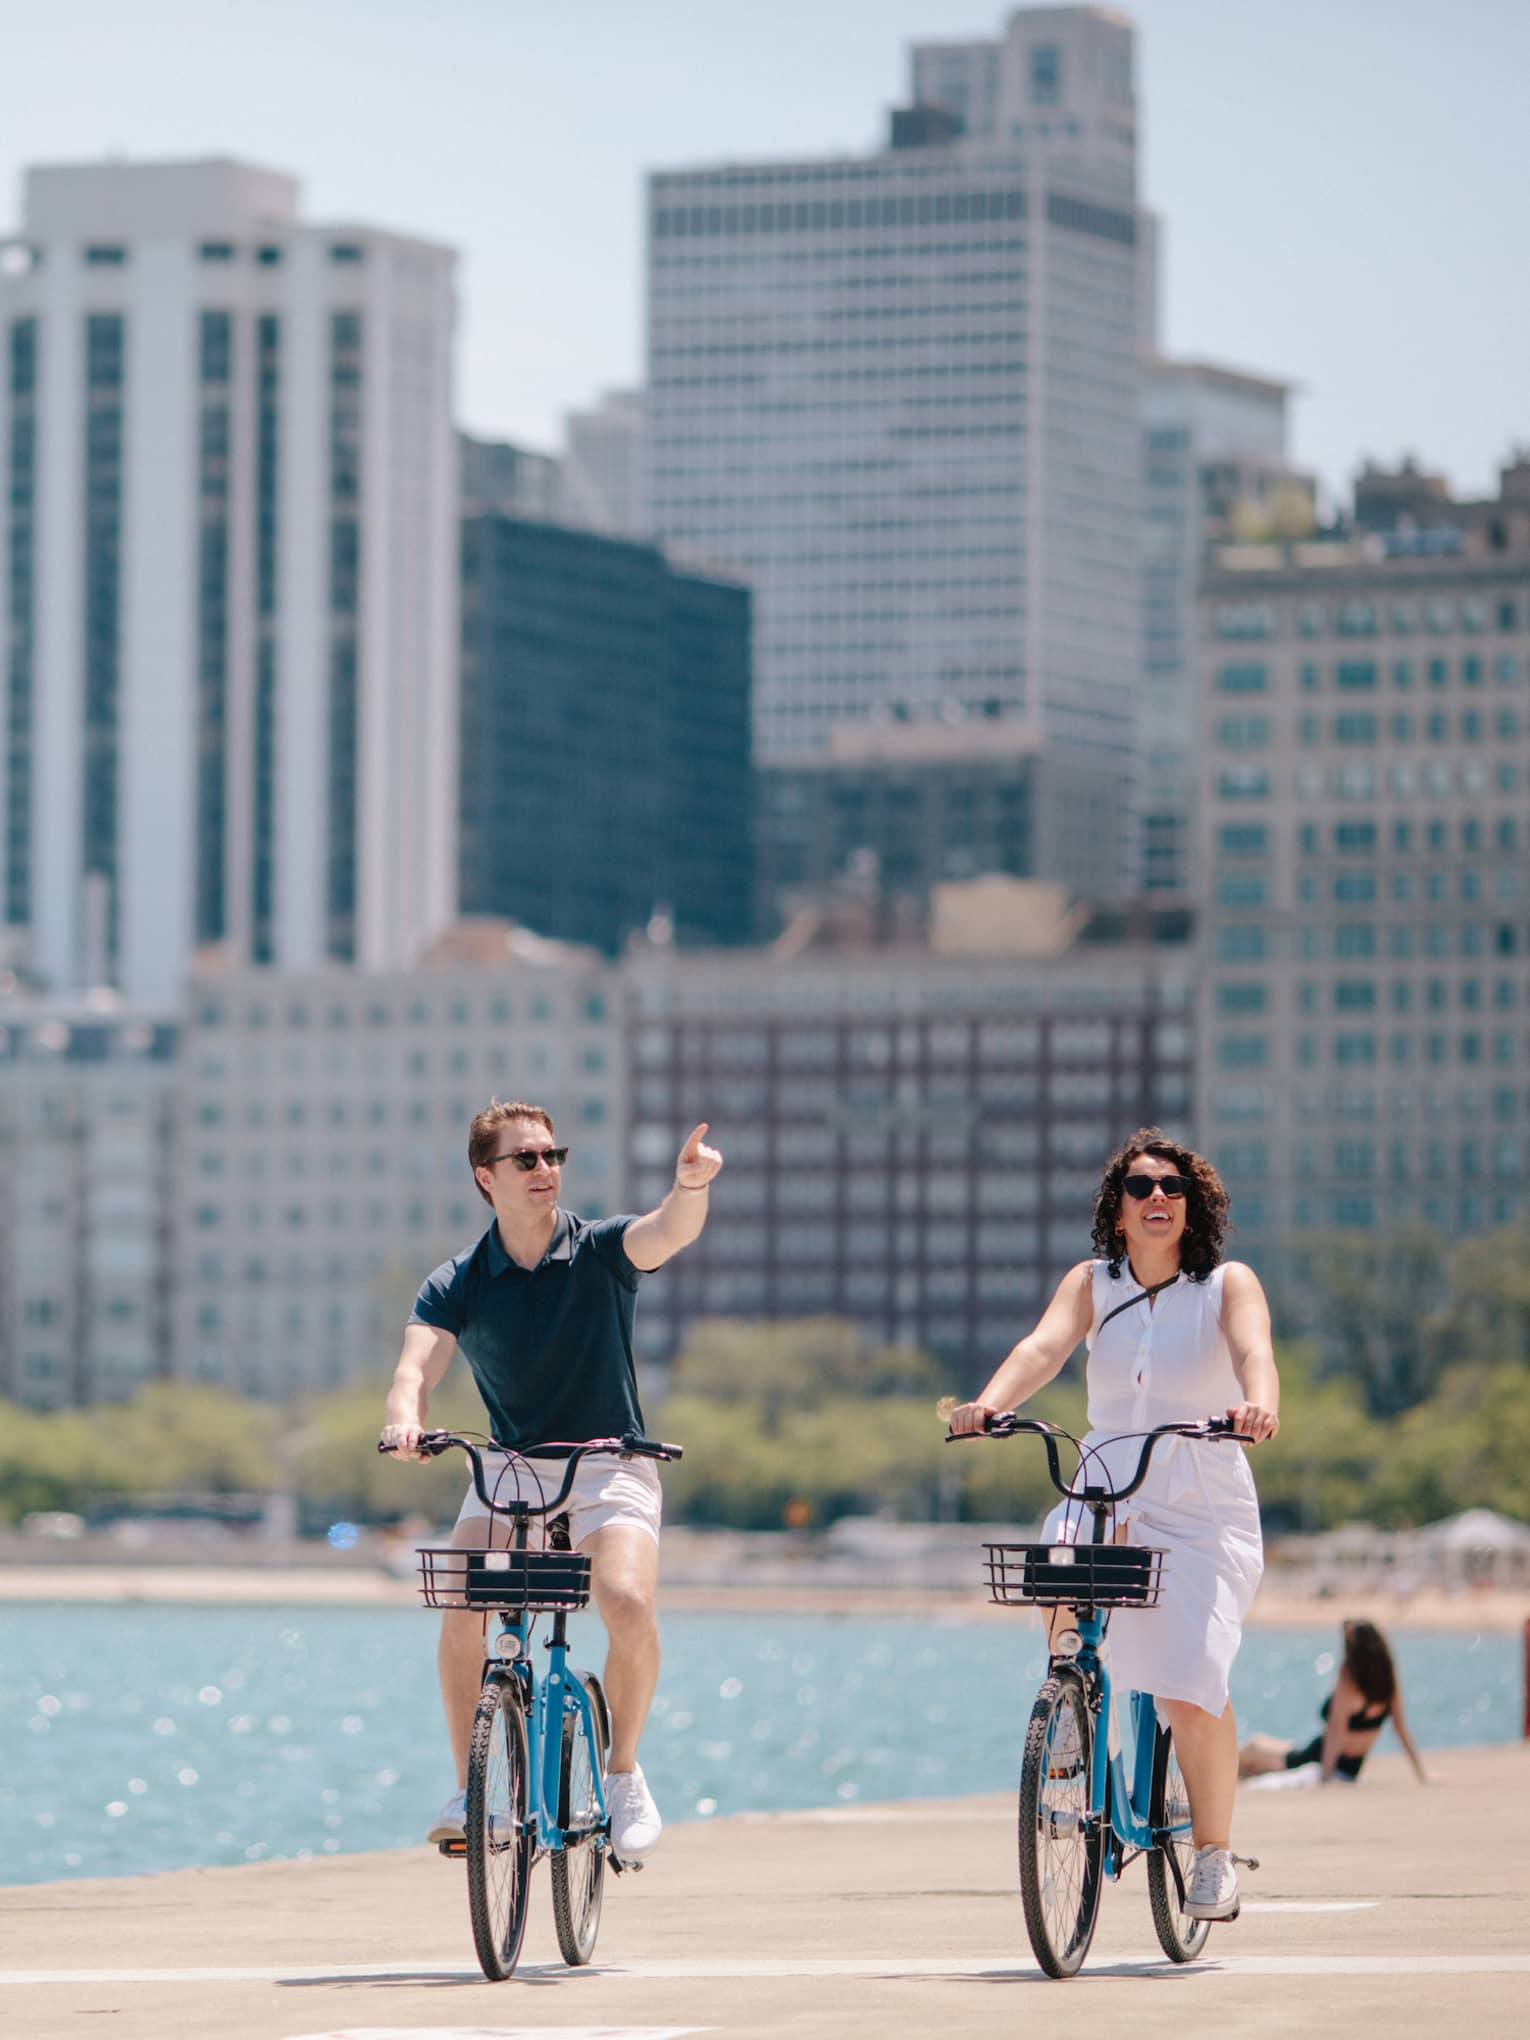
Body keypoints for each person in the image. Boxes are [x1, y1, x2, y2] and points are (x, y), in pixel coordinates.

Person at [948, 1126, 1279, 1924]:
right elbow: (1043, 1346)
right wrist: (992, 1404)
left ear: (1193, 1206)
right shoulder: (1093, 1284)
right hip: (1109, 1480)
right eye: (1141, 1188)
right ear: (1118, 1211)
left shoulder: (1226, 1285)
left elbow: (1254, 1352)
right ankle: (1070, 1705)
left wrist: (1258, 1403)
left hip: (1200, 1493)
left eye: (1173, 1187)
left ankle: (1211, 1856)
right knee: (1057, 1564)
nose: (1158, 1197)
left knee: (1192, 1682)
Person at [379, 1099, 723, 1859]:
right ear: (485, 1176)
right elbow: (417, 1364)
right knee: (464, 1597)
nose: (545, 1170)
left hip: (610, 1461)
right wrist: (405, 1418)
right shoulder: (458, 1280)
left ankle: (624, 1770)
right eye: (525, 1159)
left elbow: (666, 1231)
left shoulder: (600, 1249)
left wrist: (691, 1189)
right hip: (510, 1467)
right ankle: (473, 1788)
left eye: (552, 1155)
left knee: (627, 1604)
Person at [1238, 1619, 1432, 1784]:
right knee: (1252, 1761)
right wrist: (1421, 1773)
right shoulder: (1388, 1685)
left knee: (1253, 1748)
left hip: (1319, 1758)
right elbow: (1401, 1730)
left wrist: (1326, 1776)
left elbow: (1335, 1729)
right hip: (1347, 1766)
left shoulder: (1350, 1682)